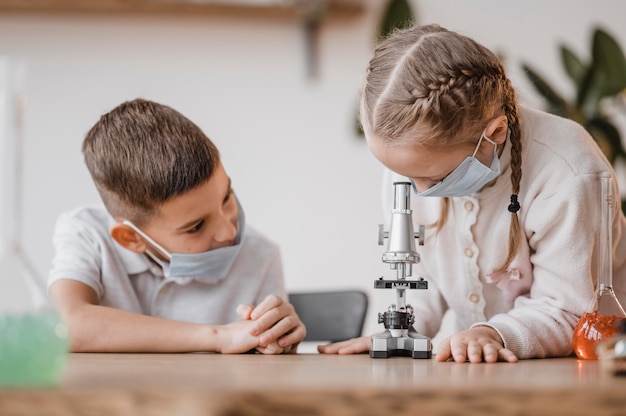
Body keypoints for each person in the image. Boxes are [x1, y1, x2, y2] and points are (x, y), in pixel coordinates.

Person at [318, 24, 626, 362]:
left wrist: (493, 333)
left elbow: (568, 311)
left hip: (582, 372)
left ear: (494, 133)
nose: (418, 193)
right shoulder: (410, 171)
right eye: (405, 176)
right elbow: (427, 279)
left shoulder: (569, 172)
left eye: (435, 177)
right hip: (490, 370)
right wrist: (402, 333)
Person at [48, 98, 305, 354]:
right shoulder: (86, 233)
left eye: (227, 197)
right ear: (130, 238)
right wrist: (218, 336)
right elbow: (66, 325)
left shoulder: (261, 255)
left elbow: (267, 368)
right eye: (196, 227)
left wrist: (276, 338)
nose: (229, 231)